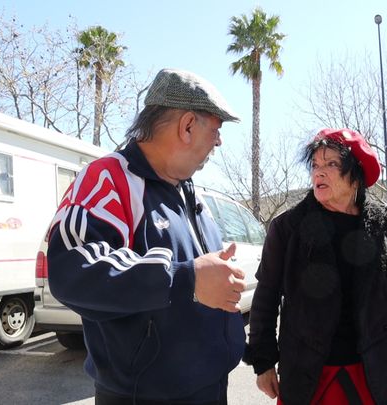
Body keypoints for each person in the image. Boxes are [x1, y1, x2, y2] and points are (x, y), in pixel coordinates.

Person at [46, 68, 247, 404]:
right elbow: (71, 270)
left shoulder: (187, 191)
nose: (219, 141)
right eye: (216, 128)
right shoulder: (109, 178)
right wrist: (187, 279)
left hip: (209, 386)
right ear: (186, 126)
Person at [243, 128, 387, 405]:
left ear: (356, 173)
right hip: (309, 377)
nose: (319, 173)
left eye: (331, 164)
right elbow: (266, 297)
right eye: (315, 165)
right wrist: (263, 362)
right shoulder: (287, 228)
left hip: (376, 377)